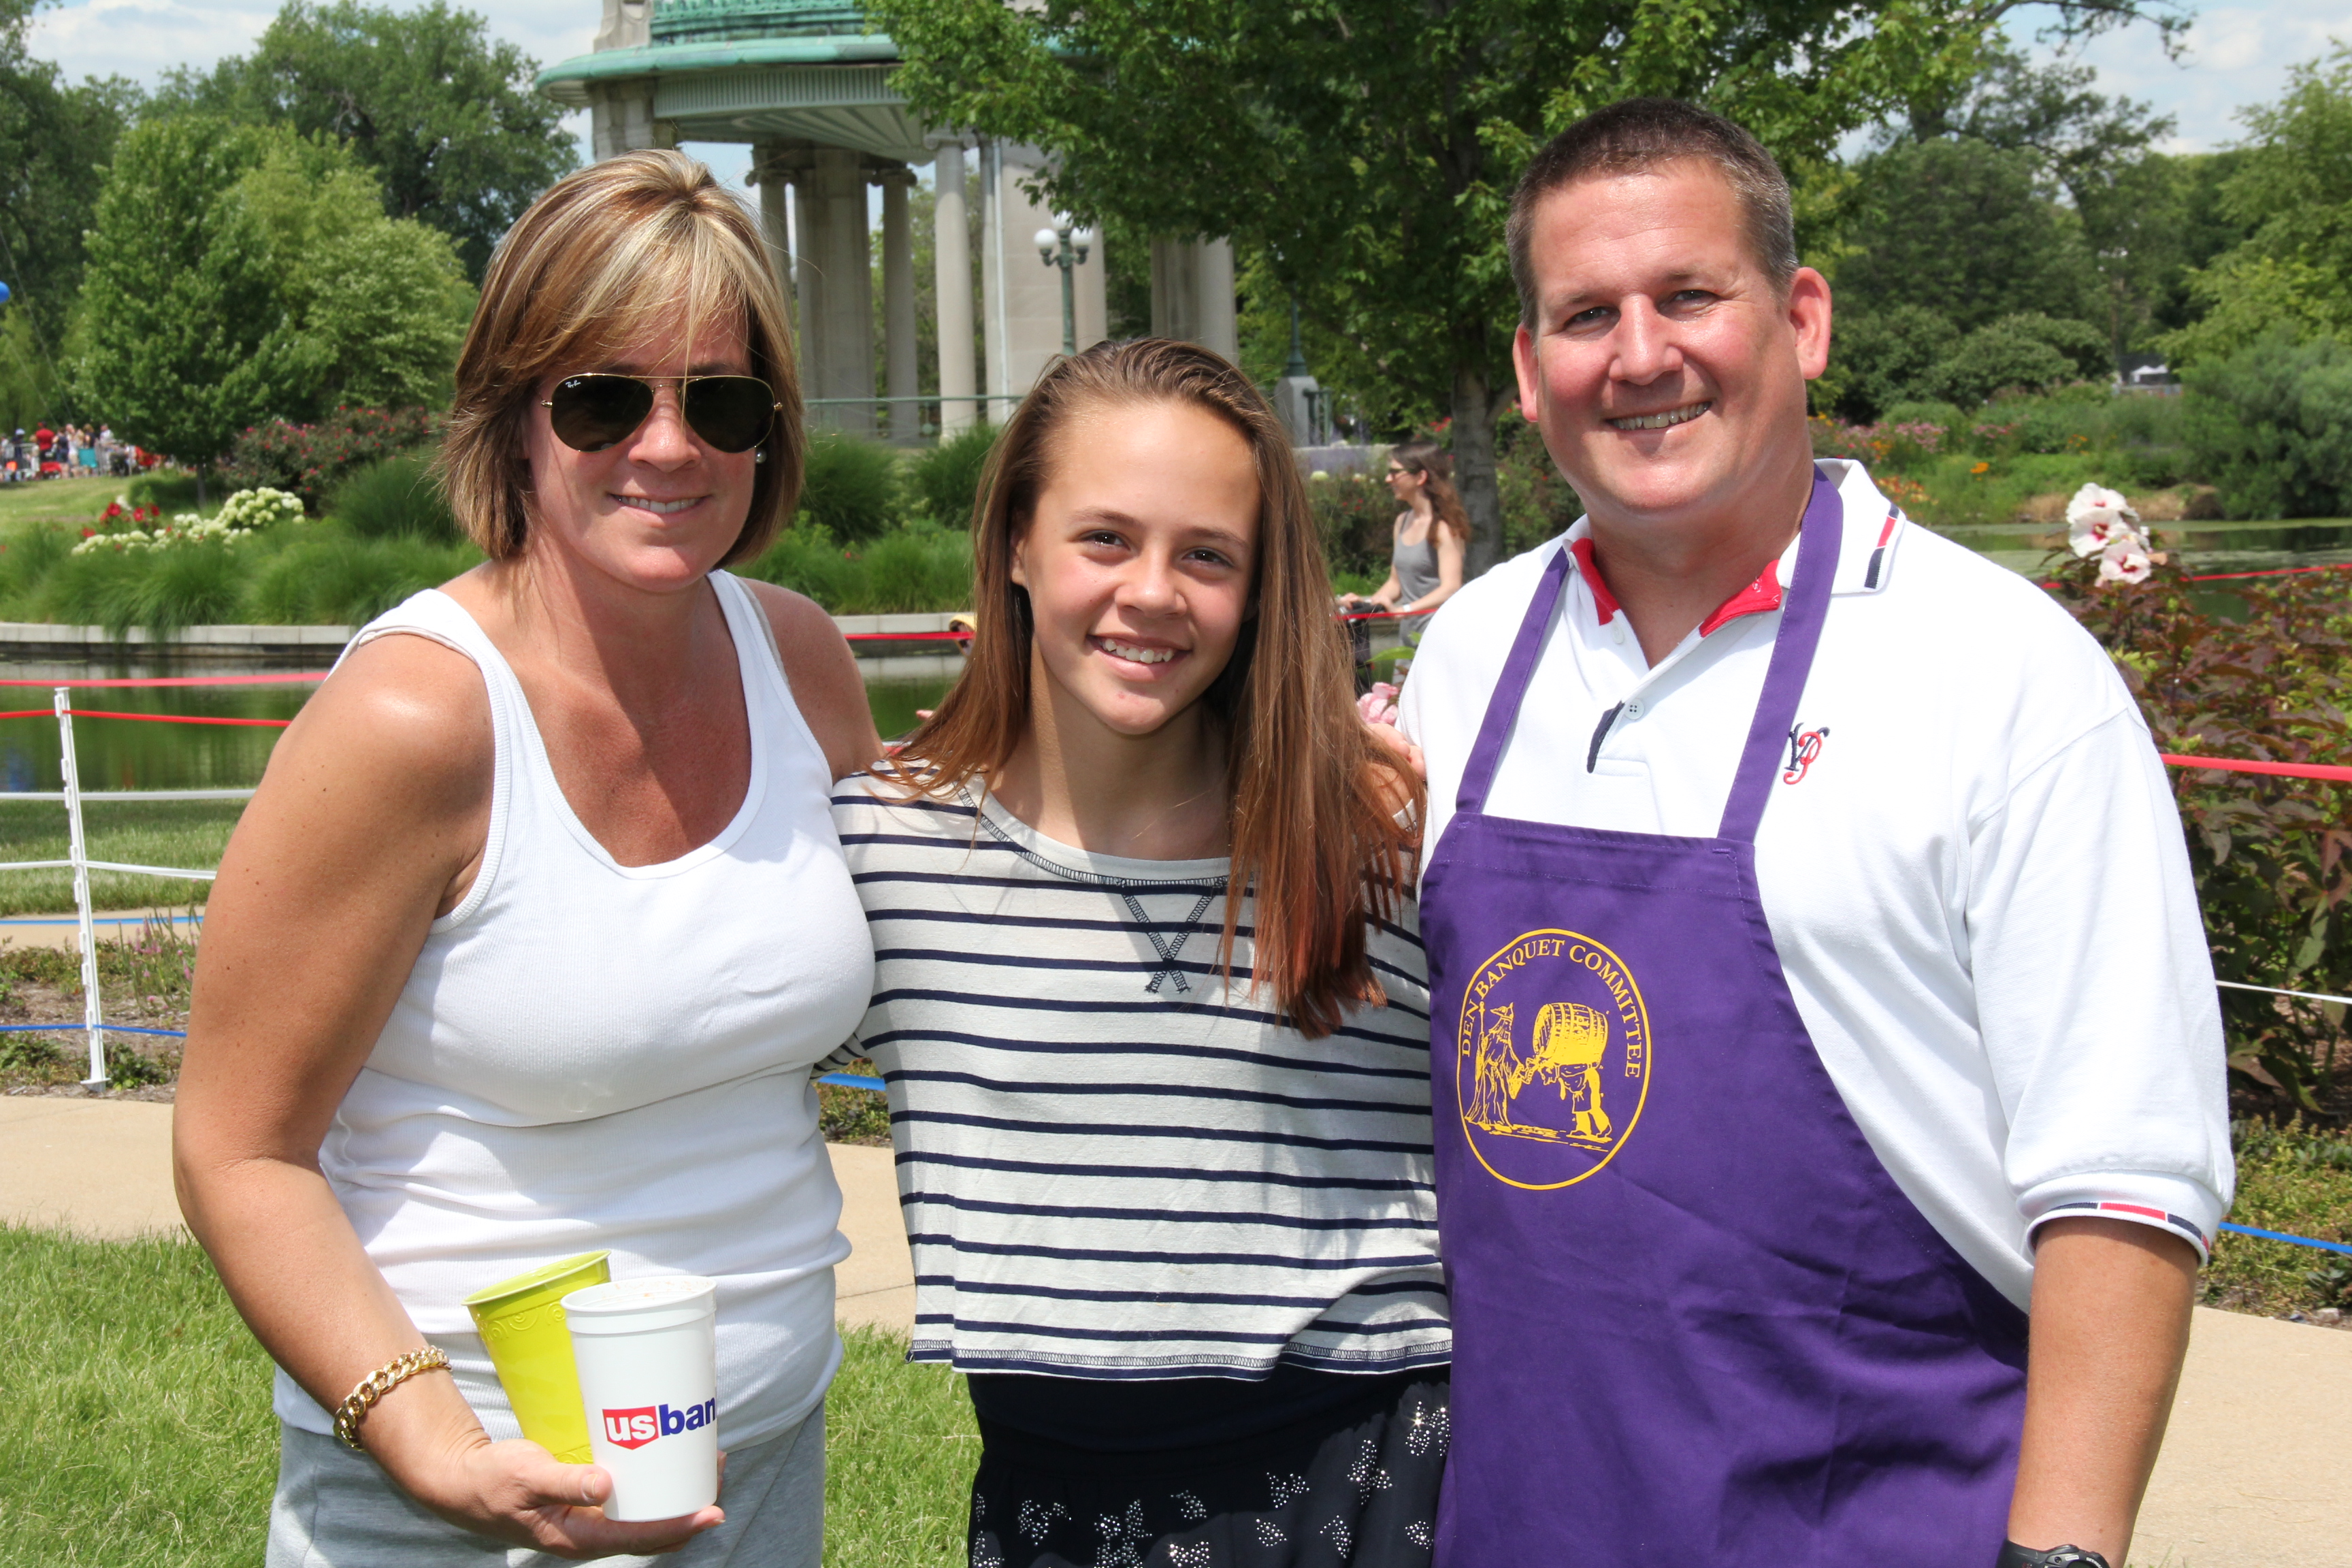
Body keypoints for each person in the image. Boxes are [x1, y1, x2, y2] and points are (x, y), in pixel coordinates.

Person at [1396, 99, 2230, 1567]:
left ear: (1802, 317)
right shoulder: (1468, 656)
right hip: (1521, 1522)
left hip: (1887, 1522)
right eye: (1587, 314)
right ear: (1531, 372)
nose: (1641, 355)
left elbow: (2124, 1181)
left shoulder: (2004, 676)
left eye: (1690, 296)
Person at [173, 149, 880, 1567]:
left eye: (719, 400)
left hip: (761, 1473)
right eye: (605, 397)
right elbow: (237, 1149)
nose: (668, 446)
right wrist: (427, 1437)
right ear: (512, 417)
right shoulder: (415, 716)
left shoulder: (797, 655)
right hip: (462, 1507)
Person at [830, 338, 1451, 1568]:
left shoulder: (1383, 837)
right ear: (1016, 540)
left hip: (1379, 1470)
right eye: (1104, 538)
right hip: (1054, 1492)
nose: (1153, 590)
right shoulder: (876, 850)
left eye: (1207, 553)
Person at [1339, 440, 1467, 651]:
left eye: (1395, 472)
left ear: (1421, 477)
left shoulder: (1444, 527)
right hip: (1407, 637)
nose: (1388, 479)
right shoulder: (1402, 522)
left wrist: (1405, 610)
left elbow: (1451, 587)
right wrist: (1367, 603)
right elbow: (1395, 584)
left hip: (1438, 637)